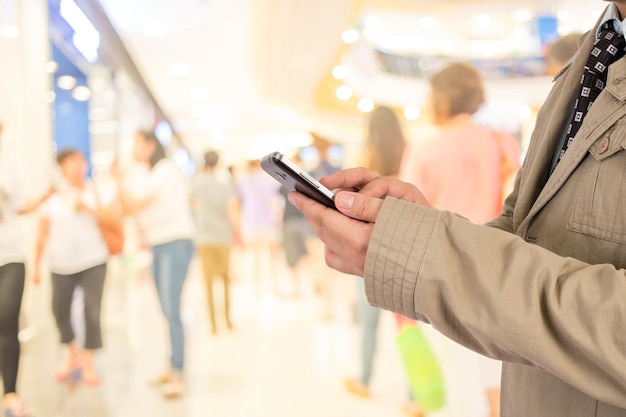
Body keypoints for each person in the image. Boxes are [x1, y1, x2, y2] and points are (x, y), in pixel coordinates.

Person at [289, 2, 626, 415]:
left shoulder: (428, 147)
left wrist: (422, 248)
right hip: (484, 287)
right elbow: (523, 220)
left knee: (457, 377)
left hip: (467, 276)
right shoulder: (577, 68)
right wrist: (423, 233)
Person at [401, 63, 519, 417]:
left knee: (458, 373)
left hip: (441, 268)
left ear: (441, 98)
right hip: (497, 265)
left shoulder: (425, 149)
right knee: (494, 372)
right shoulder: (502, 141)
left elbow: (408, 217)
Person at [116, 130, 194, 399]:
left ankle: (179, 372)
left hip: (175, 243)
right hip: (159, 245)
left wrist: (119, 178)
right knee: (165, 309)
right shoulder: (150, 174)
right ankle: (172, 366)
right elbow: (129, 208)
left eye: (136, 143)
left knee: (172, 310)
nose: (132, 150)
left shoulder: (165, 170)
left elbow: (134, 203)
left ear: (150, 146)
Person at [342, 107, 411, 407]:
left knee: (369, 324)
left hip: (371, 249)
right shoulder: (408, 153)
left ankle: (365, 379)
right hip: (406, 246)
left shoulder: (366, 155)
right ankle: (415, 395)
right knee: (408, 326)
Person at [34, 149, 113, 387]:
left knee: (92, 311)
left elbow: (112, 220)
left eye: (81, 161)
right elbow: (42, 233)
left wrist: (88, 208)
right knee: (59, 311)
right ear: (62, 167)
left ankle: (88, 361)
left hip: (94, 260)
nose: (78, 166)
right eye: (72, 162)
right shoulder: (53, 196)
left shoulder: (96, 190)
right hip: (60, 263)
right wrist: (36, 265)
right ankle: (72, 354)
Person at [0, 121, 52, 417]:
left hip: (10, 256)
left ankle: (10, 394)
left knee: (7, 320)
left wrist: (44, 197)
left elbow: (20, 206)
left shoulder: (9, 165)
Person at [191, 150, 241, 334]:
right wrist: (239, 234)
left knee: (208, 282)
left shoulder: (198, 183)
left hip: (204, 238)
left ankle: (213, 325)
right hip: (223, 237)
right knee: (226, 280)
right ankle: (227, 320)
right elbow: (233, 211)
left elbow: (191, 204)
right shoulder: (225, 185)